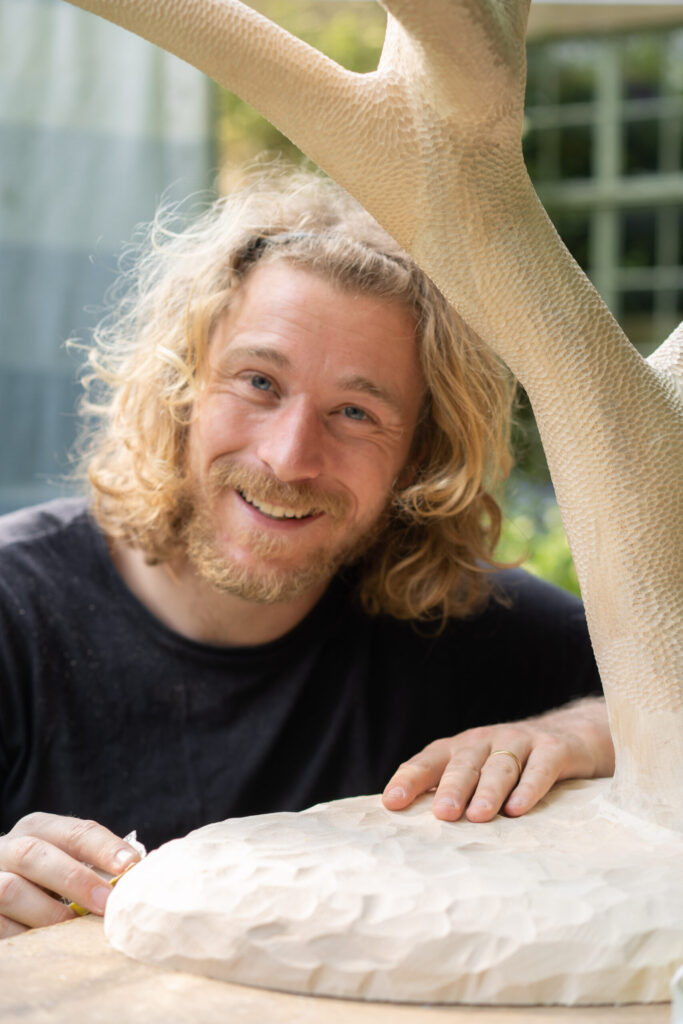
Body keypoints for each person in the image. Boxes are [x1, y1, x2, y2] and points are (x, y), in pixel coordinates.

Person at [0, 167, 612, 939]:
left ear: (419, 456)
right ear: (181, 386)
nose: (290, 458)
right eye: (259, 381)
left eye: (355, 412)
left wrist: (587, 731)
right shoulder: (14, 610)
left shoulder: (456, 619)